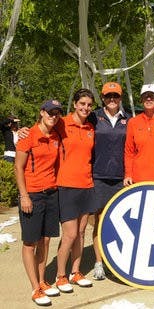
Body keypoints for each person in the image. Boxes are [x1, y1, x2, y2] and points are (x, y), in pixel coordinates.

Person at [14, 100, 63, 306]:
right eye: (50, 112)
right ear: (42, 112)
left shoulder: (55, 135)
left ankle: (42, 281)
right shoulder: (28, 136)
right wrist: (24, 195)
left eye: (57, 113)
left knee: (45, 240)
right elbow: (18, 167)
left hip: (51, 193)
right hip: (32, 195)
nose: (54, 116)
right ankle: (35, 288)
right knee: (30, 242)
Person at [55, 89, 97, 293]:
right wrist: (25, 129)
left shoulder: (91, 127)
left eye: (89, 105)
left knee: (81, 233)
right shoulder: (61, 123)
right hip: (67, 186)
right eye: (82, 103)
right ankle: (60, 276)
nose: (85, 108)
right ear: (74, 104)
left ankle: (75, 271)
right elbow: (42, 128)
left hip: (86, 185)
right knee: (69, 235)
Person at [89, 82, 131, 280]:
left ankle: (116, 261)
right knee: (99, 221)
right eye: (108, 96)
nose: (112, 99)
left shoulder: (128, 119)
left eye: (115, 96)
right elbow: (67, 123)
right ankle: (99, 262)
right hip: (99, 177)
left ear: (120, 98)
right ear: (103, 98)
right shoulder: (93, 117)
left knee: (118, 222)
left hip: (121, 179)